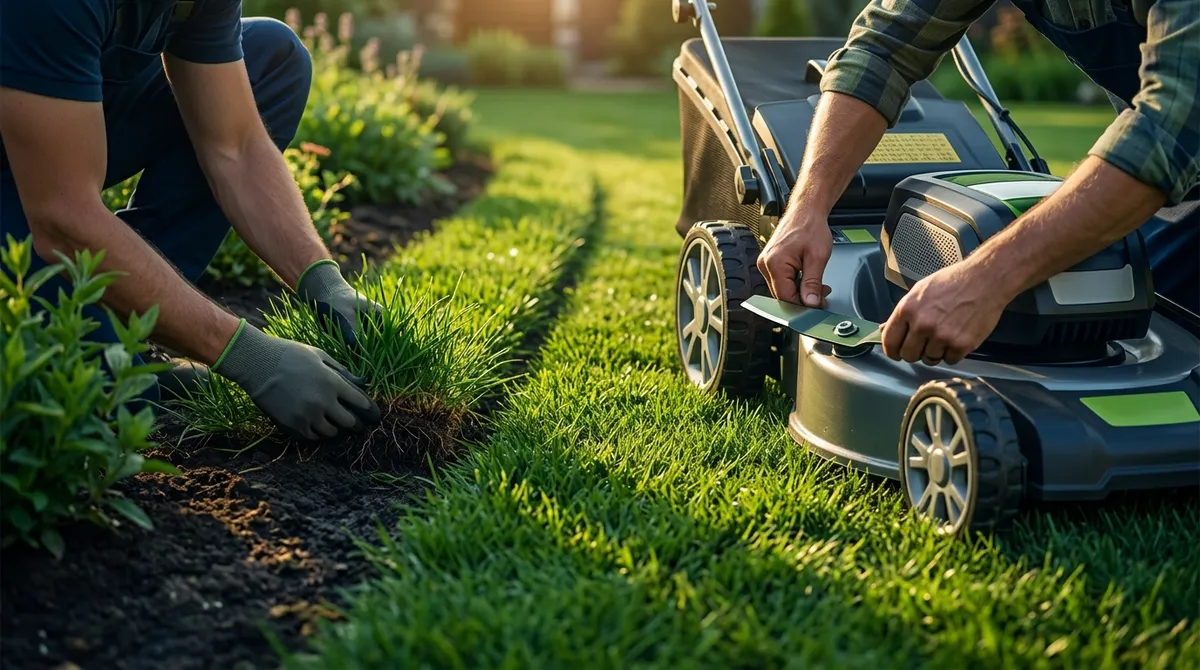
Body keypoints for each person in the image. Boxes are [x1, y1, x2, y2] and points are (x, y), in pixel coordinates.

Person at [0, 0, 383, 442]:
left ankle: (126, 328)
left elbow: (235, 146)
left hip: (48, 127)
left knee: (270, 56)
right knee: (93, 402)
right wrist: (250, 357)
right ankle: (98, 355)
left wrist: (323, 280)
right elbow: (64, 217)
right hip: (33, 184)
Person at [757, 0, 1199, 366]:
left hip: (1177, 148)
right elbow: (882, 48)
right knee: (1133, 306)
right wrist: (807, 207)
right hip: (1182, 185)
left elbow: (1169, 127)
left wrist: (985, 279)